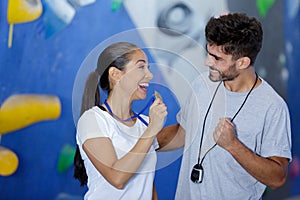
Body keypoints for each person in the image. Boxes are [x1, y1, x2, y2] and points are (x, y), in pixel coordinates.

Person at [157, 13, 292, 199]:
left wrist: (233, 145)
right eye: (208, 53)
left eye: (217, 58)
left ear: (243, 62)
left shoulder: (272, 106)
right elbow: (184, 133)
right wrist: (140, 141)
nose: (207, 62)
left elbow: (277, 178)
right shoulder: (202, 83)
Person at [73, 42, 167, 200]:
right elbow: (117, 178)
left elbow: (147, 184)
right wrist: (152, 130)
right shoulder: (93, 120)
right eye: (140, 67)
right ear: (116, 75)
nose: (149, 75)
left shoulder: (144, 124)